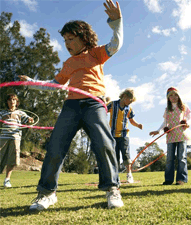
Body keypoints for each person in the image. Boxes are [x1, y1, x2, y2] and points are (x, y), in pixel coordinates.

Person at [19, 0, 124, 210]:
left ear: (83, 37)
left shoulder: (95, 53)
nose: (67, 43)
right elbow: (54, 85)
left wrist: (117, 23)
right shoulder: (68, 63)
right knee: (55, 147)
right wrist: (32, 83)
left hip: (94, 104)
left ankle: (112, 188)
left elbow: (116, 44)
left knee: (103, 144)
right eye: (65, 40)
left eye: (71, 39)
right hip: (71, 106)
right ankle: (47, 193)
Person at [149, 87, 191, 185]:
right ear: (168, 98)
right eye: (171, 95)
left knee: (181, 158)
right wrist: (158, 130)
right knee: (169, 159)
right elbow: (165, 122)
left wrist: (188, 123)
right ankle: (168, 179)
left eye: (175, 95)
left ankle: (181, 179)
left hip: (181, 135)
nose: (173, 97)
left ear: (179, 96)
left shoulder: (184, 106)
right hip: (171, 136)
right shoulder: (167, 109)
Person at [107, 88, 143, 183]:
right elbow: (102, 110)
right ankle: (115, 176)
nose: (130, 103)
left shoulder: (129, 109)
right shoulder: (112, 104)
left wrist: (138, 125)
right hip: (112, 134)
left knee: (126, 155)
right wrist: (104, 101)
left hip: (124, 135)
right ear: (124, 97)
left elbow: (131, 120)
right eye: (130, 100)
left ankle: (129, 174)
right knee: (115, 156)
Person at [0, 94, 34, 188]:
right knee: (0, 157)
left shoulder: (20, 113)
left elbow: (28, 120)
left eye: (14, 100)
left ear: (16, 102)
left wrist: (30, 120)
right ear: (7, 102)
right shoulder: (2, 113)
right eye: (10, 100)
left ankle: (7, 179)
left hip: (15, 137)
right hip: (3, 137)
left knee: (12, 158)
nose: (12, 102)